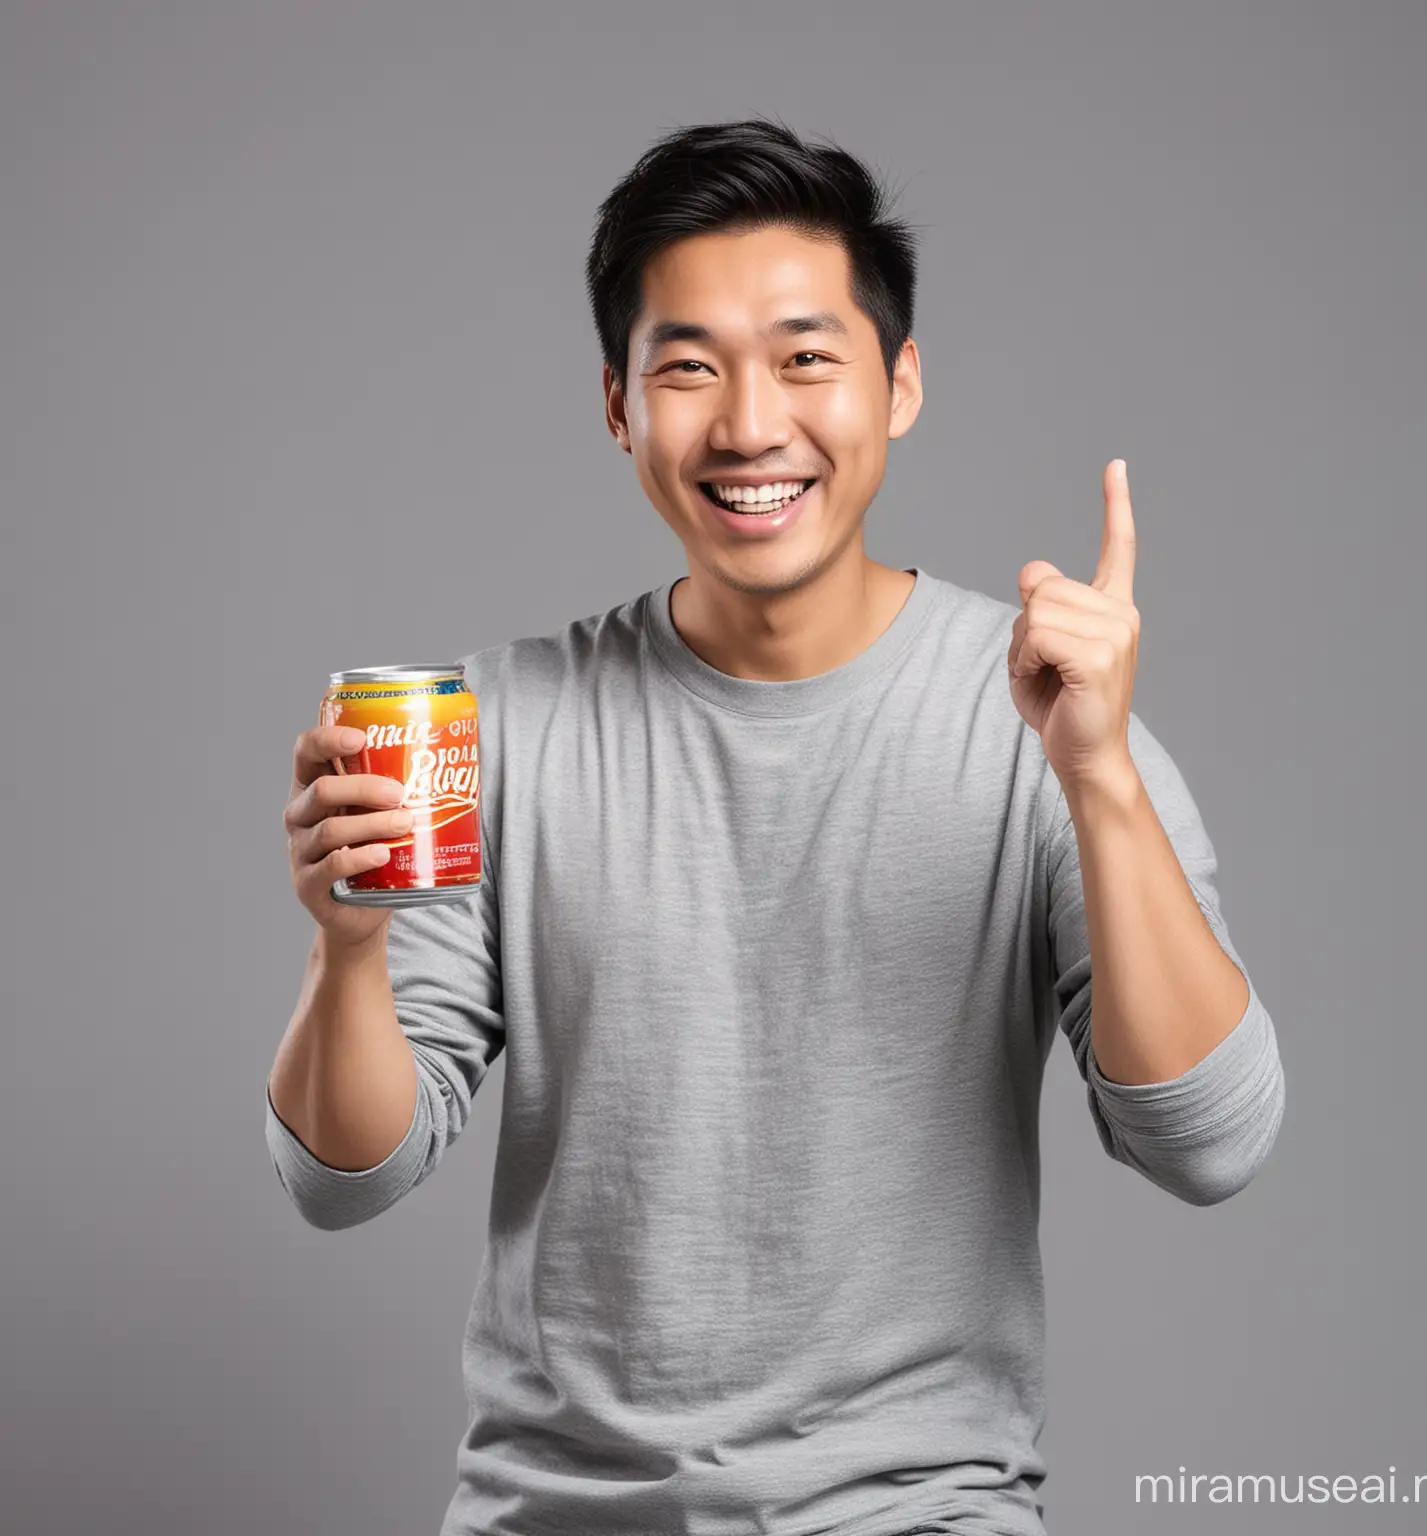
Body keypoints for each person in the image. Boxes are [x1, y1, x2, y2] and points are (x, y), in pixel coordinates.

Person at [267, 116, 1284, 1536]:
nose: (750, 424)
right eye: (687, 366)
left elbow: (1213, 1144)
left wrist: (1099, 776)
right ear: (619, 406)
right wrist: (347, 951)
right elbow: (344, 1177)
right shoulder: (493, 727)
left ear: (901, 382)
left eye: (807, 356)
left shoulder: (1049, 713)